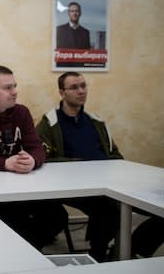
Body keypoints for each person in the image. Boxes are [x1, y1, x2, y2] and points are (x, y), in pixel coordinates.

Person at [0, 65, 68, 251]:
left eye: (15, 86)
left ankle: (28, 253)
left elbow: (37, 148)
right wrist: (5, 164)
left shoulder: (21, 113)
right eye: (8, 88)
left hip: (19, 187)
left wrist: (33, 160)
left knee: (58, 217)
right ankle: (22, 255)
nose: (15, 92)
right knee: (16, 224)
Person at [36, 71, 121, 262]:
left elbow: (115, 155)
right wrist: (79, 165)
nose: (81, 91)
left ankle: (115, 251)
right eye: (74, 87)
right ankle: (98, 253)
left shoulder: (96, 122)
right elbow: (42, 159)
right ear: (61, 92)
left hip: (103, 183)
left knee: (118, 206)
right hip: (69, 186)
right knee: (108, 208)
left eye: (83, 86)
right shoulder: (49, 124)